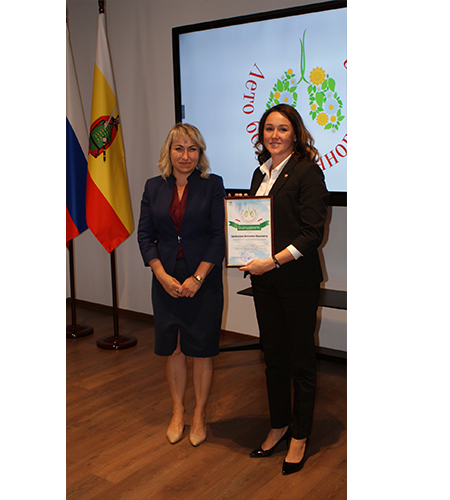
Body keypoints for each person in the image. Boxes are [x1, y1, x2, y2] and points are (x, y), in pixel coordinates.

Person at [238, 104, 329, 475]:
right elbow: (260, 226)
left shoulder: (307, 171)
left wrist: (273, 262)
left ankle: (300, 435)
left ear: (296, 134)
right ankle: (279, 424)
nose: (274, 135)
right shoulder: (260, 173)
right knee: (273, 356)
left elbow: (311, 234)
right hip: (264, 282)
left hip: (296, 282)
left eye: (283, 128)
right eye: (269, 128)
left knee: (300, 360)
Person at [137, 123, 226, 447]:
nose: (185, 155)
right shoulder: (153, 186)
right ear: (169, 152)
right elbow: (145, 236)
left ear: (200, 153)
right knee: (173, 348)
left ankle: (199, 414)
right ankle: (178, 411)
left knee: (201, 350)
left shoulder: (212, 184)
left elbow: (218, 236)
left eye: (192, 149)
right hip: (166, 278)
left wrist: (198, 278)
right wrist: (161, 275)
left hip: (203, 278)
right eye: (179, 148)